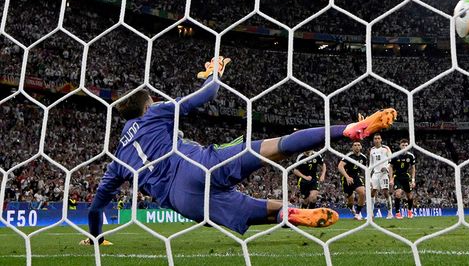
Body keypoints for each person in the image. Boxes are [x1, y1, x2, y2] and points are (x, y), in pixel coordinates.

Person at [80, 57, 398, 245]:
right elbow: (207, 95)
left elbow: (95, 208)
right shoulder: (155, 112)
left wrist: (96, 238)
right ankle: (347, 130)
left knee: (258, 210)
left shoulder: (118, 159)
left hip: (182, 199)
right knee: (276, 147)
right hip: (198, 161)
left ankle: (290, 213)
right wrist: (214, 72)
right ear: (146, 104)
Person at [390, 139, 416, 219]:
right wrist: (391, 178)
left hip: (406, 176)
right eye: (403, 145)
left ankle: (409, 211)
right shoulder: (395, 155)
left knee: (410, 196)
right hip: (397, 176)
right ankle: (397, 213)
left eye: (406, 145)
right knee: (398, 193)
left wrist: (413, 180)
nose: (404, 147)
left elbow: (413, 168)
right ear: (400, 146)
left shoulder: (411, 156)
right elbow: (390, 167)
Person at [369, 134, 393, 219]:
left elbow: (391, 160)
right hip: (375, 173)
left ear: (381, 139)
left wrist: (386, 168)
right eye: (375, 138)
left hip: (384, 174)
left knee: (385, 192)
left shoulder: (386, 148)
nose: (377, 140)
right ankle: (371, 213)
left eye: (378, 138)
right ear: (373, 140)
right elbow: (371, 163)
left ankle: (390, 212)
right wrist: (369, 173)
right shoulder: (372, 150)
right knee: (372, 192)